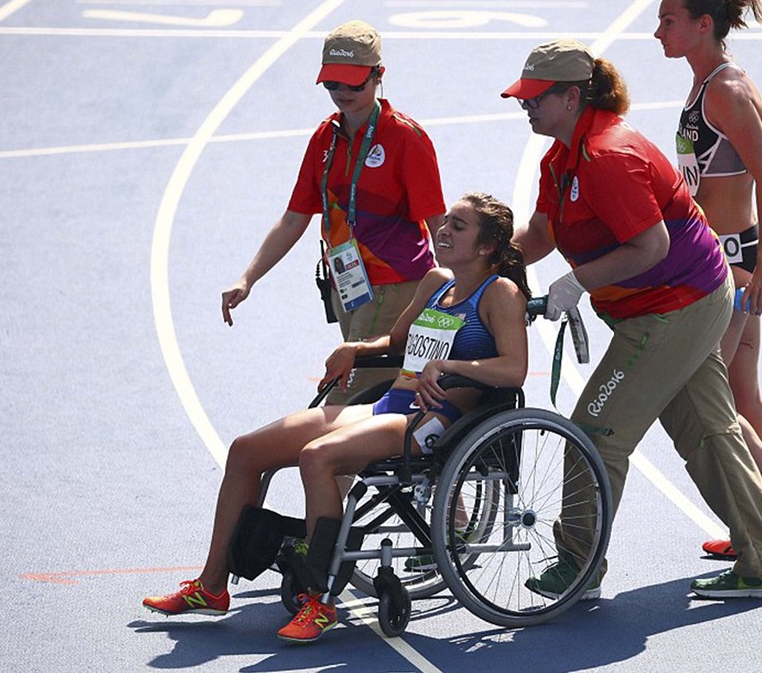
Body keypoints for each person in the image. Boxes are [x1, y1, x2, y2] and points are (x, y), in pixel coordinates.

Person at [144, 193, 531, 643]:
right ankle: (211, 587)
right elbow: (398, 341)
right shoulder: (436, 282)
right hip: (387, 406)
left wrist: (450, 367)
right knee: (246, 451)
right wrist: (357, 349)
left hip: (435, 422)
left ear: (486, 246)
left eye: (459, 226)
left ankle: (320, 598)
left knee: (318, 457)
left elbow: (513, 369)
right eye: (445, 221)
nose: (443, 229)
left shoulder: (500, 293)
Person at [501, 39, 762, 599]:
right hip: (683, 299)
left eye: (536, 97)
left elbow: (650, 245)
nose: (527, 106)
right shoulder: (561, 157)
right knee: (707, 430)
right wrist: (488, 264)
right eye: (523, 97)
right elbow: (539, 235)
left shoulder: (609, 156)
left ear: (571, 96)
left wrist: (575, 281)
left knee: (593, 431)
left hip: (672, 308)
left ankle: (579, 569)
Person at [655, 0, 762, 559]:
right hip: (726, 256)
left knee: (711, 395)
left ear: (704, 25)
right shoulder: (707, 86)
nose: (657, 32)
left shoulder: (725, 90)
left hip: (731, 263)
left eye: (668, 20)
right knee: (743, 392)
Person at [220, 20, 447, 404]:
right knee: (377, 398)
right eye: (332, 84)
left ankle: (328, 463)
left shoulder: (406, 138)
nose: (342, 92)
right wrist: (248, 278)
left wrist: (458, 291)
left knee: (341, 403)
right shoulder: (325, 137)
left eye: (354, 83)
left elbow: (438, 222)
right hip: (348, 287)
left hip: (395, 285)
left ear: (379, 76)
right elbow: (295, 218)